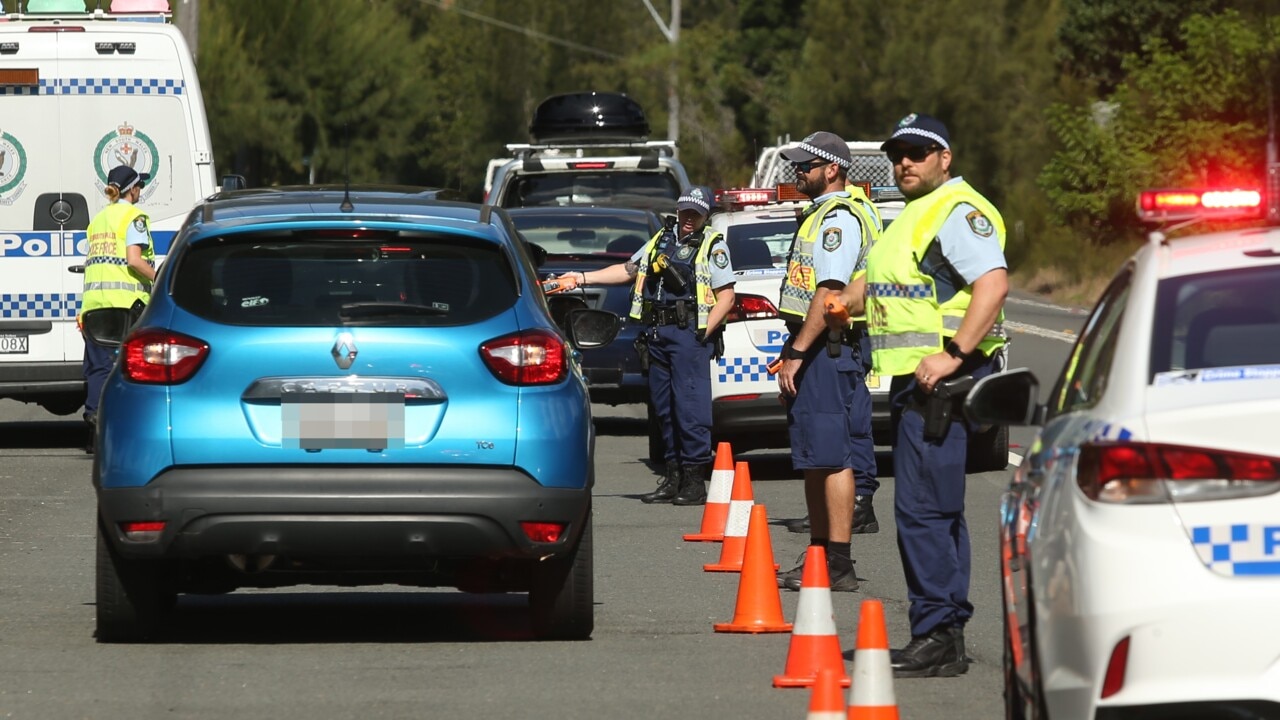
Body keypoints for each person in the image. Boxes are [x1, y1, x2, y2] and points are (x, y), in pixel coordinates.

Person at [831, 113, 1009, 677]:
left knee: (923, 512)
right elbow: (893, 283)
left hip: (941, 383)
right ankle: (945, 631)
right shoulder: (913, 214)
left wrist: (954, 354)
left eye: (917, 152)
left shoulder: (955, 210)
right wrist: (847, 303)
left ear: (944, 158)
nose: (904, 162)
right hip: (918, 381)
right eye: (897, 154)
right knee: (937, 511)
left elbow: (993, 283)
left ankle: (936, 633)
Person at [556, 186, 735, 505]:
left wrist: (703, 333)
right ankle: (673, 475)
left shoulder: (712, 246)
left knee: (690, 409)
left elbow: (727, 296)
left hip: (688, 335)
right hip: (658, 334)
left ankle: (694, 480)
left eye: (695, 213)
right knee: (664, 409)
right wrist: (580, 278)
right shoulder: (661, 240)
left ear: (707, 216)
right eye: (684, 211)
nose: (688, 218)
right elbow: (628, 271)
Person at [772, 132, 880, 593]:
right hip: (828, 348)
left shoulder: (837, 219)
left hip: (826, 351)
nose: (798, 172)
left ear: (831, 168)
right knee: (818, 456)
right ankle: (823, 556)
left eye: (805, 165)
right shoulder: (831, 214)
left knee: (830, 457)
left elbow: (829, 291)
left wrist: (798, 351)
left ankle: (837, 563)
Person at [79, 165, 155, 452]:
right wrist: (158, 278)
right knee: (129, 367)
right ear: (133, 189)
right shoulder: (134, 218)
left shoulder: (99, 219)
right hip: (126, 306)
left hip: (95, 304)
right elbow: (134, 260)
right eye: (140, 187)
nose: (141, 192)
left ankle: (94, 427)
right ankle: (125, 428)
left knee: (98, 368)